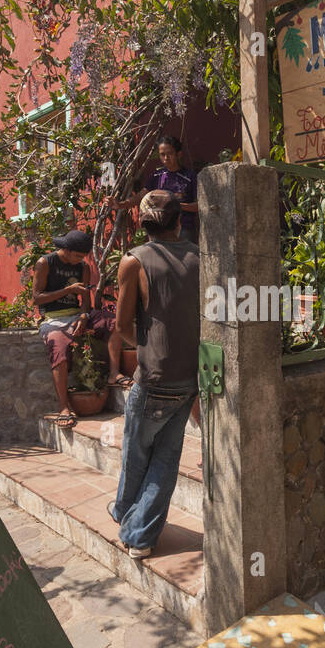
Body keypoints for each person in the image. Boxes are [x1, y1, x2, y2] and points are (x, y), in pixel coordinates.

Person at [107, 191, 199, 558]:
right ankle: (135, 526)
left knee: (136, 452)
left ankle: (135, 528)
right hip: (189, 375)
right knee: (166, 457)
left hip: (154, 377)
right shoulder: (201, 257)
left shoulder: (134, 261)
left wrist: (145, 344)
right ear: (179, 222)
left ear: (143, 223)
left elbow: (122, 325)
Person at [32, 229, 130, 430]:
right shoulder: (45, 263)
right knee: (57, 346)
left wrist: (84, 317)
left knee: (114, 322)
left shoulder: (83, 267)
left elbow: (85, 301)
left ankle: (114, 374)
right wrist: (68, 290)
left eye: (82, 257)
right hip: (53, 319)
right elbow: (37, 298)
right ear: (65, 250)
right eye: (77, 256)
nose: (79, 260)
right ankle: (63, 407)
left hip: (77, 315)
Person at [115, 135, 198, 241]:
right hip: (159, 230)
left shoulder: (190, 177)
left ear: (179, 154)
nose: (166, 158)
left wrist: (175, 205)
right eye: (162, 154)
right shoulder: (156, 176)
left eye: (170, 154)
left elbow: (199, 206)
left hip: (184, 229)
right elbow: (141, 196)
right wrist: (121, 204)